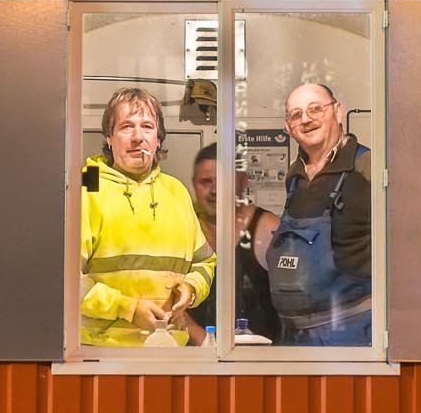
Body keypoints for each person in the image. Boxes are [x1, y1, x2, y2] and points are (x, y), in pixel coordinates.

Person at [78, 87, 215, 347]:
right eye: (126, 127)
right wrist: (126, 308)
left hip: (170, 348)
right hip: (101, 352)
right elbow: (65, 280)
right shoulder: (87, 186)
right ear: (109, 138)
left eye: (147, 127)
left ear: (159, 139)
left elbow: (205, 262)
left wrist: (191, 289)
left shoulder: (175, 190)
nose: (137, 137)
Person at [264, 81, 373, 347]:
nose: (307, 119)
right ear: (288, 127)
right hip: (293, 337)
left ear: (338, 112)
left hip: (350, 335)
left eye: (316, 109)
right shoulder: (293, 175)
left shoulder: (367, 168)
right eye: (297, 114)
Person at [187, 145, 279, 343]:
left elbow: (295, 303)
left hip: (259, 363)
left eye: (222, 182)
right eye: (206, 182)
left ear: (242, 182)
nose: (214, 190)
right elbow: (165, 300)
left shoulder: (267, 228)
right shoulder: (183, 230)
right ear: (194, 185)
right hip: (195, 361)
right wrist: (206, 343)